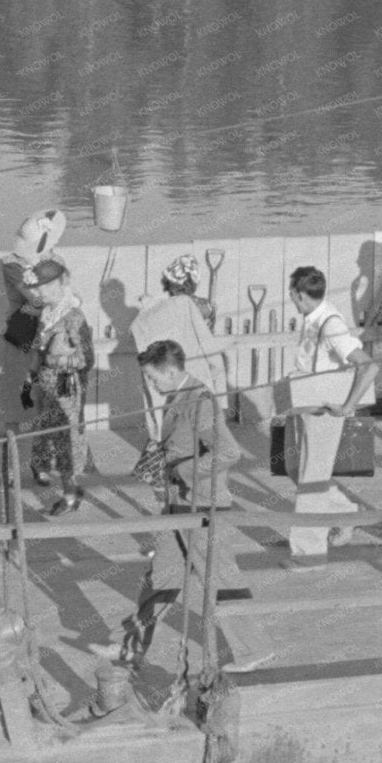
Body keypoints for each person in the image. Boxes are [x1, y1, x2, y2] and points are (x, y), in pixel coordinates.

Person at [100, 340, 242, 670]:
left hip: (204, 507)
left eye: (153, 378)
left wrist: (184, 470)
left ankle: (250, 650)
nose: (151, 385)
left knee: (221, 580)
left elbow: (228, 452)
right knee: (160, 576)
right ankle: (131, 645)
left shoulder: (200, 400)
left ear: (171, 371)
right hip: (179, 504)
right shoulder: (178, 397)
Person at [284, 265, 377, 563]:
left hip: (325, 412)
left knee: (311, 483)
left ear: (298, 295)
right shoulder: (313, 317)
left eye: (291, 294)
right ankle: (346, 512)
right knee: (296, 469)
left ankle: (308, 555)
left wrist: (349, 406)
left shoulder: (331, 323)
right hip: (305, 404)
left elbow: (368, 365)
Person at [23, 258, 95, 516]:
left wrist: (54, 358)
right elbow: (37, 349)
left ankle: (70, 495)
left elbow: (86, 360)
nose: (39, 291)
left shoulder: (74, 317)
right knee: (50, 441)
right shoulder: (47, 313)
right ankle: (69, 488)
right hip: (48, 389)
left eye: (44, 285)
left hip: (66, 391)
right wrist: (30, 377)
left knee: (67, 444)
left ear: (60, 283)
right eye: (38, 287)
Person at [131, 254, 234, 429]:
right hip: (199, 377)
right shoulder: (205, 306)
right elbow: (210, 347)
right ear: (194, 283)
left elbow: (139, 330)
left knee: (174, 433)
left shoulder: (158, 309)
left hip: (170, 379)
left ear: (168, 282)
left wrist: (149, 304)